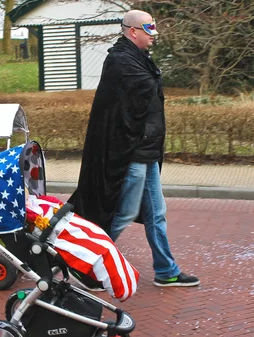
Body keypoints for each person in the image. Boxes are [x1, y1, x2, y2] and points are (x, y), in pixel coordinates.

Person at [68, 10, 199, 288]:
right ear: (133, 31)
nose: (155, 34)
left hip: (147, 153)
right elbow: (120, 112)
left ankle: (166, 270)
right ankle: (86, 265)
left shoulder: (139, 60)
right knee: (122, 214)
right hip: (131, 154)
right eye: (149, 28)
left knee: (156, 213)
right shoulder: (120, 61)